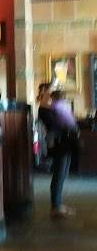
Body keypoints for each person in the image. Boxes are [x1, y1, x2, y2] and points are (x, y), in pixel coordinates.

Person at [45, 90, 80, 219]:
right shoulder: (56, 110)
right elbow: (58, 127)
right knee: (59, 175)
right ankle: (56, 207)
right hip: (62, 145)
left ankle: (58, 205)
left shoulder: (58, 108)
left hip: (65, 144)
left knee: (62, 174)